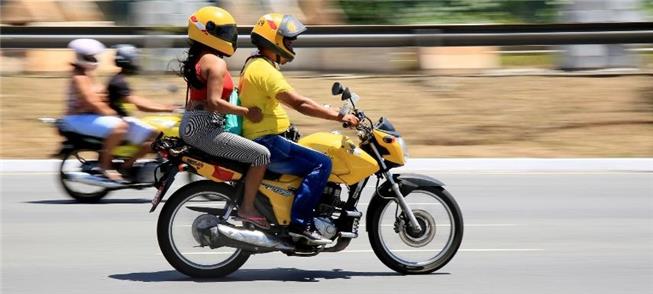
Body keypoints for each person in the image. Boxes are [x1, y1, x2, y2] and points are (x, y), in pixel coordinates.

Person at [239, 13, 359, 242]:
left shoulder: (258, 65)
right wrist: (338, 116)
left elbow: (298, 101)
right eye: (288, 39)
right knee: (322, 163)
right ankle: (301, 224)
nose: (292, 44)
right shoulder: (263, 69)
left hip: (268, 138)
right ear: (273, 39)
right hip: (266, 141)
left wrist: (329, 109)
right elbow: (299, 103)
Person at [179, 6, 271, 228]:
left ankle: (244, 198)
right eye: (225, 32)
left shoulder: (201, 58)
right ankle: (247, 208)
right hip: (206, 129)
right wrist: (248, 112)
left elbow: (201, 100)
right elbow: (214, 102)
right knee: (261, 156)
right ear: (207, 32)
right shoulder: (216, 62)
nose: (229, 37)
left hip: (194, 124)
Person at [60, 38, 128, 182]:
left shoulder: (87, 75)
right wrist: (109, 112)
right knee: (119, 127)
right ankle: (105, 166)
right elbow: (91, 100)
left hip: (86, 116)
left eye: (94, 57)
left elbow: (100, 95)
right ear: (82, 58)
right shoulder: (79, 77)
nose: (94, 60)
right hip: (76, 119)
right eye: (90, 57)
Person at [106, 44, 178, 172]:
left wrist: (164, 106)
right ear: (128, 61)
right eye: (134, 60)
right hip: (121, 122)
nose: (136, 63)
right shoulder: (119, 82)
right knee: (156, 137)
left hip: (122, 120)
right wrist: (165, 109)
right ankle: (126, 166)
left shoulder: (119, 79)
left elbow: (138, 99)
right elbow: (139, 105)